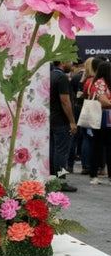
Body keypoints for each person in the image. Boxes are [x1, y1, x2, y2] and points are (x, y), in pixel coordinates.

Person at [49, 61, 78, 192]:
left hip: (51, 118)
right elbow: (65, 101)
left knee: (53, 150)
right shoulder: (62, 78)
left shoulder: (50, 76)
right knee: (61, 152)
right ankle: (61, 181)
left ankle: (52, 179)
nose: (72, 64)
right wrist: (72, 121)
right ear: (62, 62)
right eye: (70, 61)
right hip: (61, 120)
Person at [86, 60, 111, 185]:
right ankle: (94, 174)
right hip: (101, 118)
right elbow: (104, 101)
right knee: (98, 147)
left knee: (100, 147)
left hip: (105, 118)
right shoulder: (100, 83)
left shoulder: (98, 82)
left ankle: (95, 174)